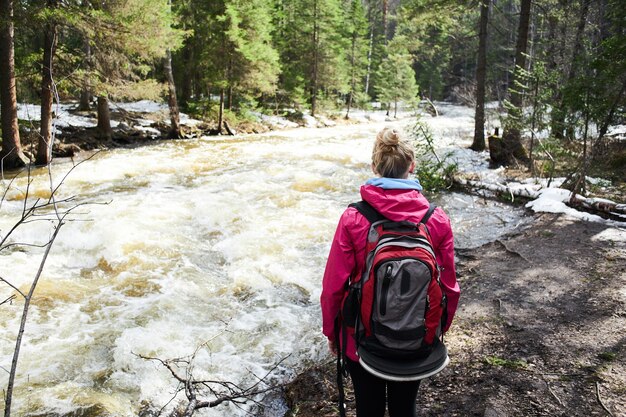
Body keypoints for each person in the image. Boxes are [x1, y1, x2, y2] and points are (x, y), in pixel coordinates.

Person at [320, 127, 460, 417]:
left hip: (361, 339)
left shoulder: (354, 218)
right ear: (412, 165)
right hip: (418, 339)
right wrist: (437, 329)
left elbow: (333, 287)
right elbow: (449, 287)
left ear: (374, 167)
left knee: (368, 411)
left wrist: (332, 333)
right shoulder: (436, 219)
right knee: (403, 409)